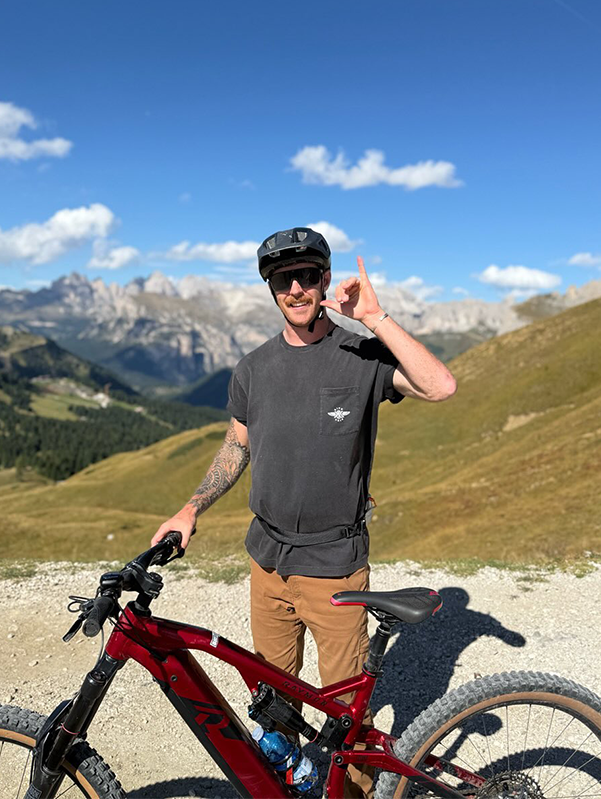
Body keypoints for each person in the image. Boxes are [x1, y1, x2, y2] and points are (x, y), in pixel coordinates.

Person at [152, 226, 457, 798]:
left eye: (308, 276)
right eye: (283, 279)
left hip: (335, 565)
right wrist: (190, 509)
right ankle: (290, 780)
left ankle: (355, 792)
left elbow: (440, 386)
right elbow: (237, 443)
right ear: (270, 288)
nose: (296, 288)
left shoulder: (361, 354)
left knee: (346, 719)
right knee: (273, 699)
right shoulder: (252, 369)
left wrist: (376, 317)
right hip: (267, 563)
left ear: (323, 281)